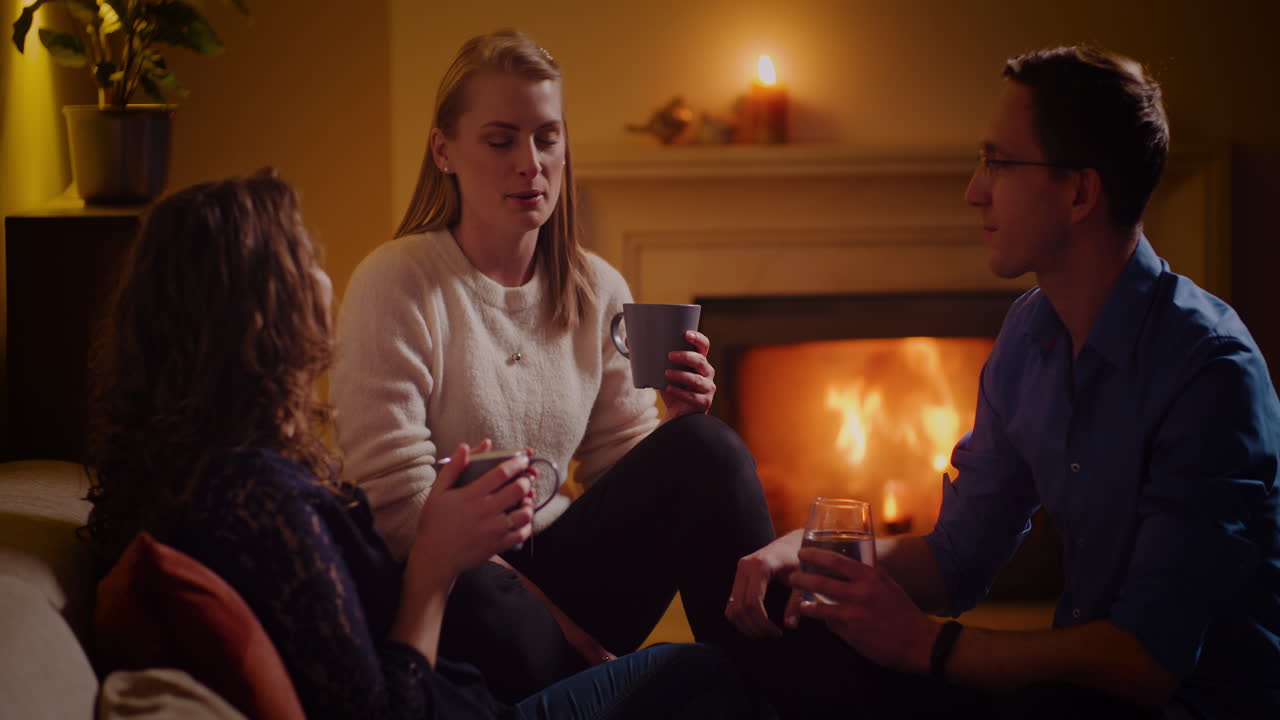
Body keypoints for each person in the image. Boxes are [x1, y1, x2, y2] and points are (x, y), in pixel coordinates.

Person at [726, 45, 1280, 719]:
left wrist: (925, 646)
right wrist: (812, 555)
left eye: (999, 162)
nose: (973, 190)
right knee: (759, 641)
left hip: (1179, 709)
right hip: (1067, 694)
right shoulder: (1029, 334)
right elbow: (958, 556)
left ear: (1080, 191)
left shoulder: (1209, 371)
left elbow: (1148, 662)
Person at [83, 170, 762, 720]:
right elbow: (383, 706)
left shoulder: (219, 474)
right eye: (306, 264)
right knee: (702, 674)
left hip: (475, 673)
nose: (325, 280)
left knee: (699, 454)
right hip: (475, 704)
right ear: (262, 312)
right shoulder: (257, 502)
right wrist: (435, 560)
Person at [331, 29, 776, 700]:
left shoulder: (598, 288)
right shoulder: (396, 283)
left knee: (706, 449)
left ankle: (770, 690)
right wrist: (562, 623)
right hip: (450, 582)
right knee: (484, 593)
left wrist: (677, 430)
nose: (530, 164)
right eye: (501, 139)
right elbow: (397, 514)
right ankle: (605, 686)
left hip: (559, 563)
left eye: (547, 138)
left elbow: (616, 466)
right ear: (444, 150)